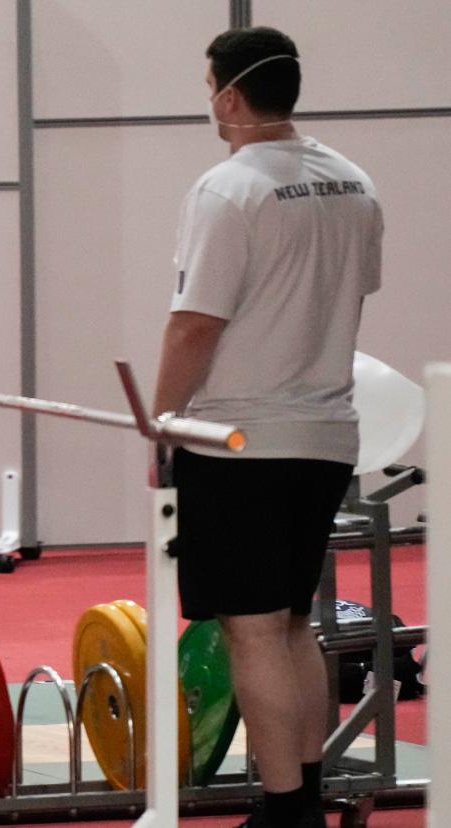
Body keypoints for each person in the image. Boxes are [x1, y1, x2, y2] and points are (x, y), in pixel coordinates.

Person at [151, 27, 383, 828]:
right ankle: (306, 793)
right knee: (291, 623)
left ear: (228, 96)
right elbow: (356, 293)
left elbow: (194, 325)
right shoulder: (353, 182)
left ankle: (285, 810)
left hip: (239, 438)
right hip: (326, 433)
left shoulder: (227, 189)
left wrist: (163, 423)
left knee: (251, 630)